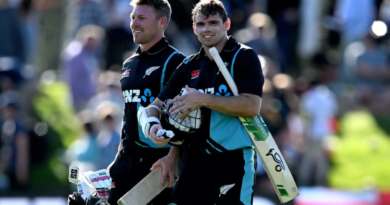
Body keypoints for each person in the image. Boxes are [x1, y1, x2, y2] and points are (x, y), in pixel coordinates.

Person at [145, 1, 264, 204]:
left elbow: (252, 107)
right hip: (193, 162)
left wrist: (203, 99)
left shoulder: (243, 56)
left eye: (213, 23)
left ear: (226, 24)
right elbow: (154, 107)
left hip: (233, 160)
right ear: (194, 28)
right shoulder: (189, 65)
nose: (206, 29)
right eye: (201, 24)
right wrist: (155, 129)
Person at [106, 0, 186, 205]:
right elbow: (129, 115)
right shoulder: (128, 63)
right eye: (133, 18)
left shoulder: (176, 62)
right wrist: (118, 159)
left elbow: (187, 118)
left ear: (161, 22)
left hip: (157, 167)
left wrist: (173, 156)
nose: (134, 23)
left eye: (141, 18)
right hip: (126, 164)